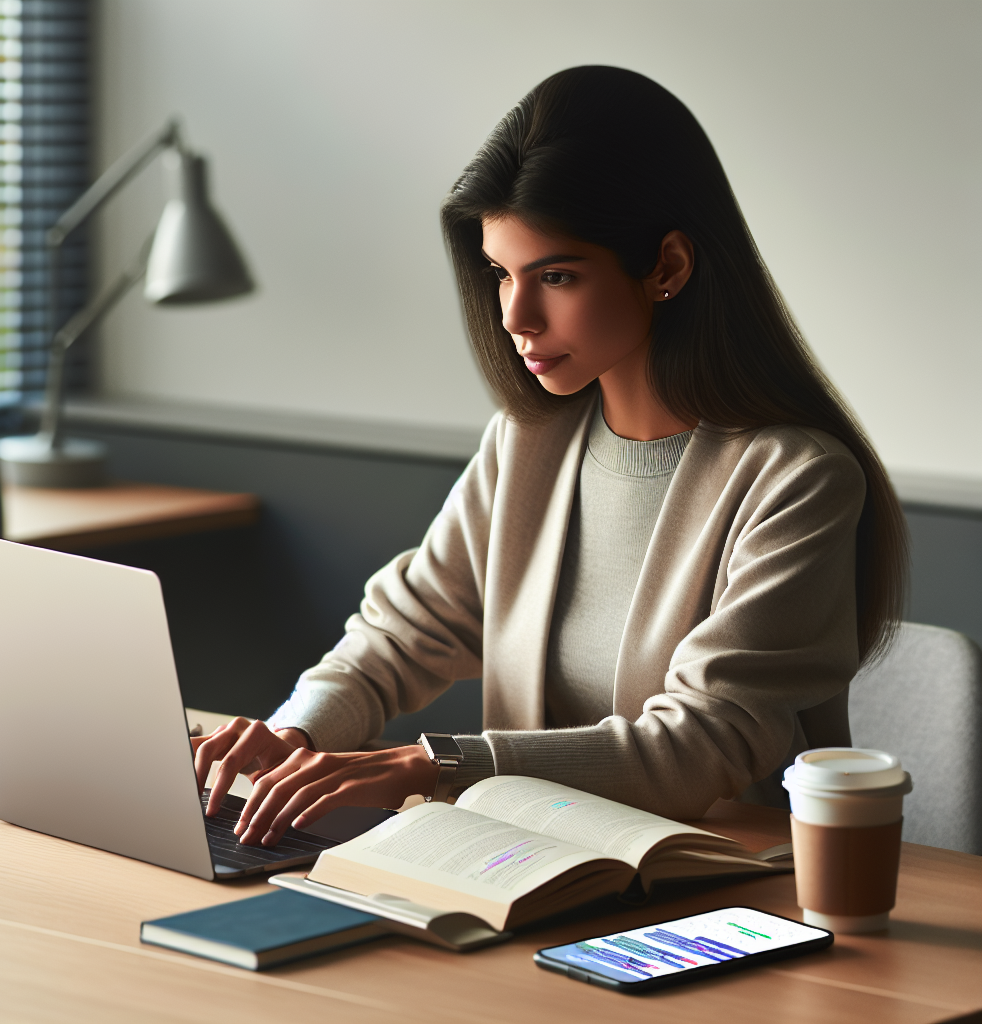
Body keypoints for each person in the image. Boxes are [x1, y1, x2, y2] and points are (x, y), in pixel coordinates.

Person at [193, 66, 907, 848]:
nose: (514, 315)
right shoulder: (529, 441)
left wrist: (439, 766)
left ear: (666, 266)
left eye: (556, 276)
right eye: (501, 273)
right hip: (534, 866)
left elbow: (702, 747)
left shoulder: (796, 478)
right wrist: (296, 732)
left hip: (726, 894)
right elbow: (402, 633)